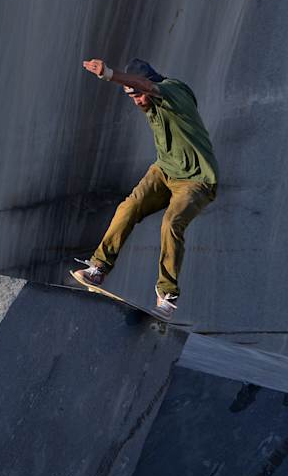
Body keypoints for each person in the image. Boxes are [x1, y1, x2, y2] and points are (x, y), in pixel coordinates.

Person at [73, 57, 219, 320]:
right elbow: (141, 89)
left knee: (171, 223)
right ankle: (98, 268)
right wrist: (129, 87)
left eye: (139, 95)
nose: (138, 101)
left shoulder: (173, 91)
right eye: (132, 97)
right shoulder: (147, 100)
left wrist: (108, 74)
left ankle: (167, 297)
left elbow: (147, 87)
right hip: (164, 170)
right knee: (128, 207)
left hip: (197, 179)